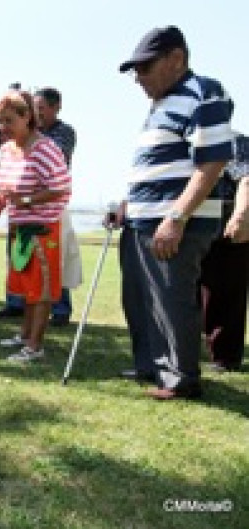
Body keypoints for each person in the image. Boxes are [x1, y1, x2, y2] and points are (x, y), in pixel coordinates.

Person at [115, 26, 233, 399]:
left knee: (171, 298)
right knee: (140, 299)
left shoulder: (203, 93)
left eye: (145, 67)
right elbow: (156, 166)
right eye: (135, 70)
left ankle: (180, 378)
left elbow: (212, 162)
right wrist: (127, 205)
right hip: (142, 221)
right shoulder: (162, 104)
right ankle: (151, 365)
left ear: (176, 59)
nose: (138, 77)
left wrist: (176, 217)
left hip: (173, 223)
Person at [0, 90, 71, 362]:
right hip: (19, 228)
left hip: (43, 228)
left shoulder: (45, 149)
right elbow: (4, 188)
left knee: (41, 288)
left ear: (27, 117)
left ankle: (35, 346)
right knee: (26, 286)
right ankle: (25, 335)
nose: (3, 127)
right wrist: (0, 202)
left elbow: (61, 188)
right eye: (0, 121)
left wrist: (26, 200)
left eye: (9, 120)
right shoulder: (6, 150)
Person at [198, 133, 249, 372]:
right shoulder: (189, 141)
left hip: (227, 226)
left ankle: (225, 357)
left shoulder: (235, 141)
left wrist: (241, 216)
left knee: (227, 293)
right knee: (201, 293)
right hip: (196, 225)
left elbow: (246, 179)